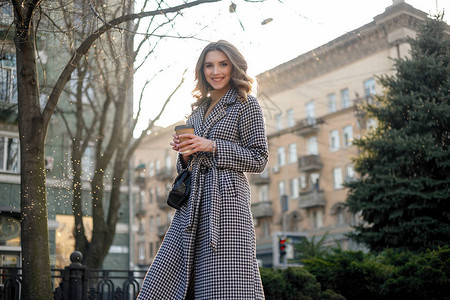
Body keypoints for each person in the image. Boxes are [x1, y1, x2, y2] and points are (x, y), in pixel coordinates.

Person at [138, 40, 268, 299]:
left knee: (222, 288)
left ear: (234, 67)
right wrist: (185, 155)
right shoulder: (195, 113)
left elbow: (259, 158)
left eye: (223, 64)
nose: (216, 71)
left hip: (226, 209)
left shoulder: (246, 104)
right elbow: (187, 167)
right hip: (191, 207)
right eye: (209, 65)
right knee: (159, 286)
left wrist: (212, 145)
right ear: (202, 70)